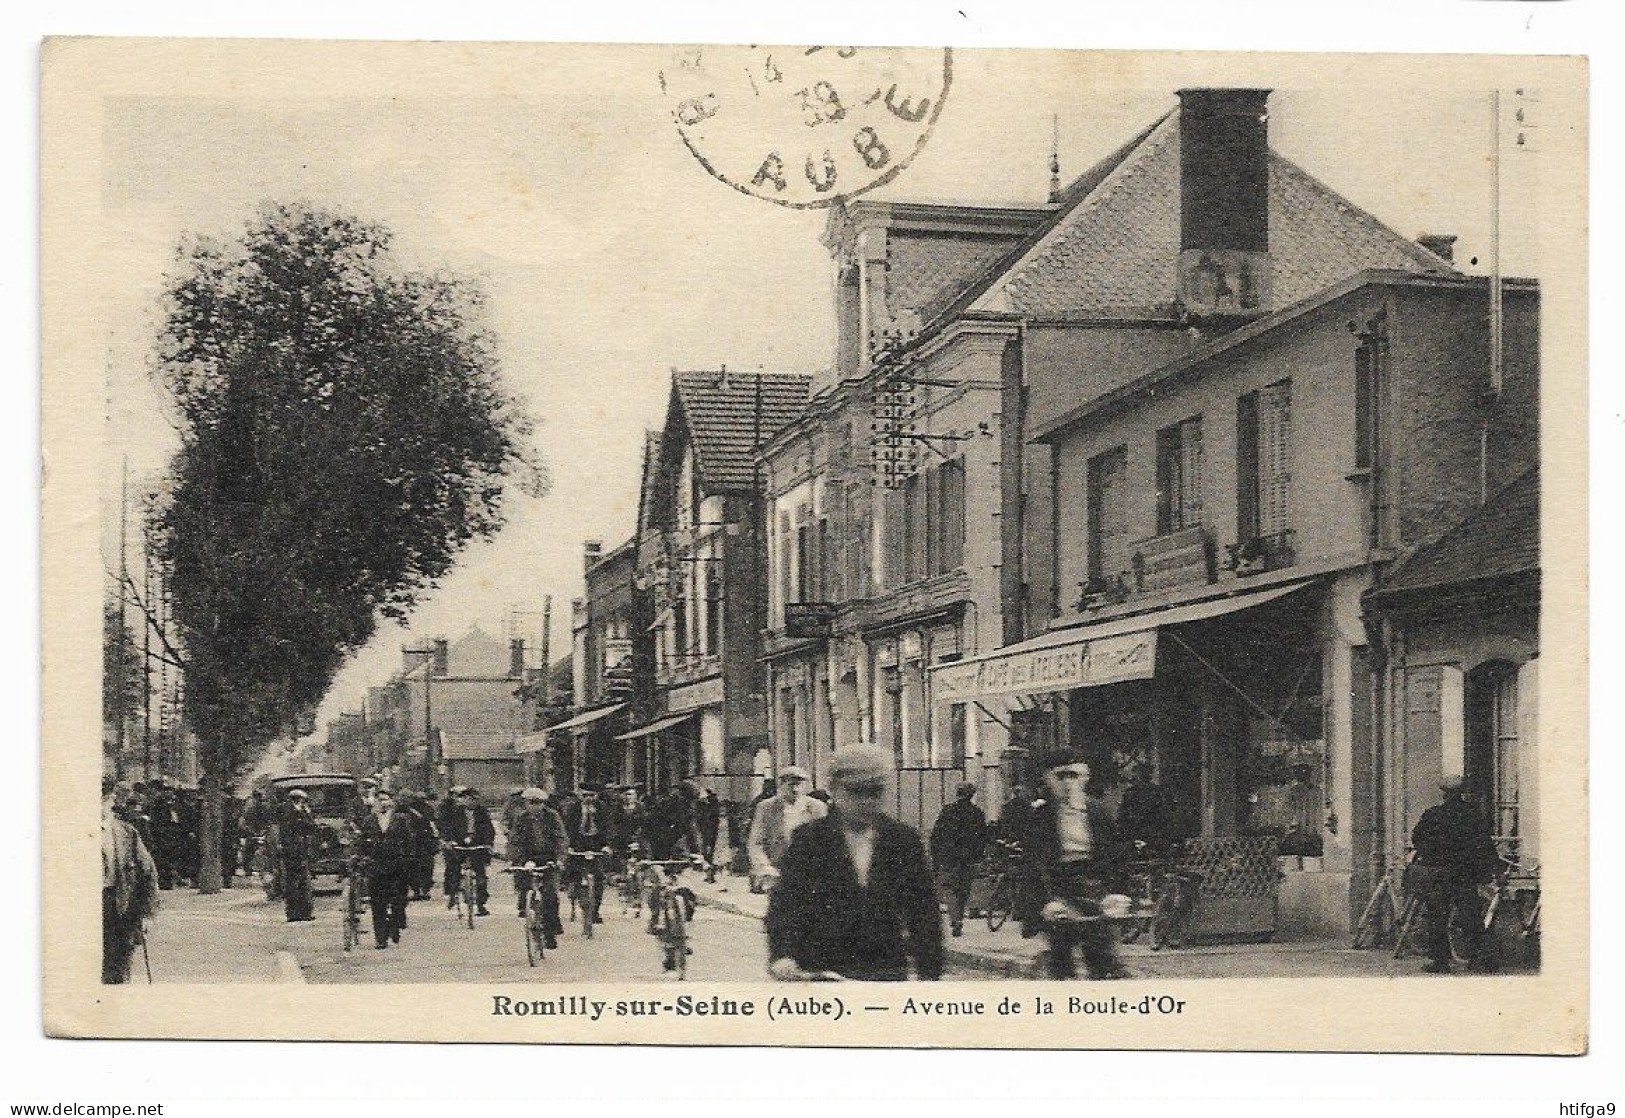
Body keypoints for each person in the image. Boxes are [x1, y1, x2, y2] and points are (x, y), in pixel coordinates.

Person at [766, 745, 942, 982]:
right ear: (835, 790)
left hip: (884, 971)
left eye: (875, 792)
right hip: (820, 971)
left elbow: (924, 913)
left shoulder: (904, 841)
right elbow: (785, 904)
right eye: (856, 792)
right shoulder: (809, 840)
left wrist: (929, 977)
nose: (866, 801)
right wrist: (782, 955)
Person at [1022, 751, 1127, 980]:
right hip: (1059, 887)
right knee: (1061, 959)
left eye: (1074, 776)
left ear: (1084, 778)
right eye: (1061, 777)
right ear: (1049, 780)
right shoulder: (1040, 817)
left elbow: (1116, 857)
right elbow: (1033, 867)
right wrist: (1045, 902)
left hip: (1094, 887)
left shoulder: (1098, 812)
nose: (1068, 783)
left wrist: (1116, 893)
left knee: (1104, 960)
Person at [1410, 776, 1503, 973]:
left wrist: (1431, 855)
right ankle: (1477, 958)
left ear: (1444, 794)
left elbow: (1417, 839)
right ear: (1461, 793)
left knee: (1437, 917)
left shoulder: (1433, 815)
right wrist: (1494, 869)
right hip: (1464, 874)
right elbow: (1485, 845)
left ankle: (1440, 961)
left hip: (1439, 873)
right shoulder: (1472, 815)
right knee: (1470, 916)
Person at [102, 773, 160, 983]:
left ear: (111, 800)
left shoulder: (127, 833)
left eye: (103, 799)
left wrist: (146, 914)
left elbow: (148, 875)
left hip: (120, 909)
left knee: (118, 973)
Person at [747, 766, 826, 894]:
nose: (795, 789)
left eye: (799, 785)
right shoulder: (766, 807)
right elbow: (756, 842)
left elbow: (826, 841)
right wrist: (764, 867)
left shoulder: (817, 807)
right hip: (777, 872)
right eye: (791, 785)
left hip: (809, 873)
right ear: (781, 786)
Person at [509, 787, 569, 947]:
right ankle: (526, 909)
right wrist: (520, 860)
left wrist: (559, 859)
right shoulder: (521, 819)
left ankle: (550, 933)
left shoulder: (553, 817)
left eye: (539, 803)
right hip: (528, 859)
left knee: (550, 896)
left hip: (549, 859)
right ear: (526, 804)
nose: (535, 806)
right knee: (524, 887)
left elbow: (561, 839)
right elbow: (514, 842)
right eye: (531, 803)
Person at [357, 788, 415, 948]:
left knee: (398, 902)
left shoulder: (401, 819)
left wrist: (408, 860)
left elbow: (409, 841)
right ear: (374, 802)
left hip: (397, 866)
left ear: (391, 802)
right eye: (379, 800)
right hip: (376, 866)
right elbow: (362, 842)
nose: (382, 803)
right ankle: (380, 938)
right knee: (378, 903)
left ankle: (394, 925)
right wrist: (363, 857)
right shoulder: (368, 820)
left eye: (385, 799)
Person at [930, 782, 988, 937]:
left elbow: (936, 835)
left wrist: (935, 854)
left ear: (958, 793)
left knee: (948, 888)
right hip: (968, 858)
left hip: (948, 856)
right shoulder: (977, 813)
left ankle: (956, 919)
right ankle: (958, 918)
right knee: (963, 889)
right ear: (972, 795)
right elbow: (983, 836)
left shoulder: (948, 811)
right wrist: (978, 854)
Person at [442, 785, 496, 915]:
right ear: (464, 799)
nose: (472, 801)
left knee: (481, 876)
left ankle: (481, 904)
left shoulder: (482, 812)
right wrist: (449, 841)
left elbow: (489, 830)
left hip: (477, 845)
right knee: (453, 869)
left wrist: (488, 844)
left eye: (475, 799)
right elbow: (448, 828)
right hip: (459, 844)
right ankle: (452, 895)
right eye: (469, 798)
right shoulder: (456, 811)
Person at [563, 784, 611, 924]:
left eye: (592, 795)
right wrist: (569, 847)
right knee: (574, 873)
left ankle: (594, 910)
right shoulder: (573, 809)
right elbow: (567, 828)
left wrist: (606, 845)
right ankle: (575, 896)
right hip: (578, 844)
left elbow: (608, 828)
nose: (588, 798)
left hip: (596, 844)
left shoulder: (602, 808)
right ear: (580, 795)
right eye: (585, 795)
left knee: (599, 876)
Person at [1116, 763, 1175, 860]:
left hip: (1136, 837)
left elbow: (1123, 817)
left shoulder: (1131, 793)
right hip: (1153, 837)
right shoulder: (1158, 792)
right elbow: (1165, 817)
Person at [280, 789, 318, 922]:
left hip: (299, 851)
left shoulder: (296, 812)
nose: (304, 803)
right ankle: (295, 913)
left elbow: (311, 827)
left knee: (302, 883)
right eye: (303, 801)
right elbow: (310, 826)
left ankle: (302, 912)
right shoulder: (291, 813)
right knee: (295, 883)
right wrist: (307, 814)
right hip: (293, 852)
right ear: (298, 800)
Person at [1280, 763, 1324, 858]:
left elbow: (1320, 812)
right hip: (1300, 829)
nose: (1300, 776)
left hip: (1313, 830)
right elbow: (1289, 812)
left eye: (1304, 773)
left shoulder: (1317, 791)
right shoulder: (1294, 791)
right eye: (1298, 773)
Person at [220, 784, 243, 887]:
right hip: (227, 837)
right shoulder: (227, 811)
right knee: (227, 859)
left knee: (228, 859)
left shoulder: (229, 811)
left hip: (229, 837)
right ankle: (227, 880)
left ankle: (227, 880)